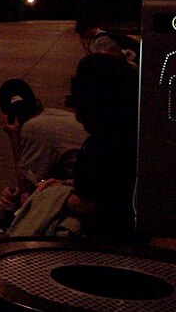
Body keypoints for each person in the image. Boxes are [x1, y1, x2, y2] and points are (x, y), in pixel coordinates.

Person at [11, 53, 140, 240]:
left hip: (105, 241)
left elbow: (86, 203)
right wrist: (64, 183)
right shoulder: (134, 133)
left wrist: (53, 195)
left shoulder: (105, 144)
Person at [0, 78, 88, 230]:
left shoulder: (33, 128)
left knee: (24, 201)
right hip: (85, 180)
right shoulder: (51, 115)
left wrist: (13, 138)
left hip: (87, 194)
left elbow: (26, 183)